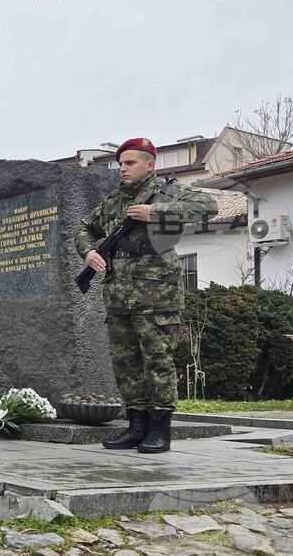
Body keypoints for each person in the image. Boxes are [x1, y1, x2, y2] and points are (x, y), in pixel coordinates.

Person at [75, 138, 217, 454]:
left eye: (130, 163)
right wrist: (88, 253)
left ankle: (159, 430)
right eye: (120, 164)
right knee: (126, 363)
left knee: (158, 360)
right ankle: (136, 427)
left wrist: (156, 211)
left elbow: (208, 206)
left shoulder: (168, 192)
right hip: (118, 294)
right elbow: (83, 228)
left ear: (149, 165)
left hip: (157, 293)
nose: (122, 169)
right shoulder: (114, 201)